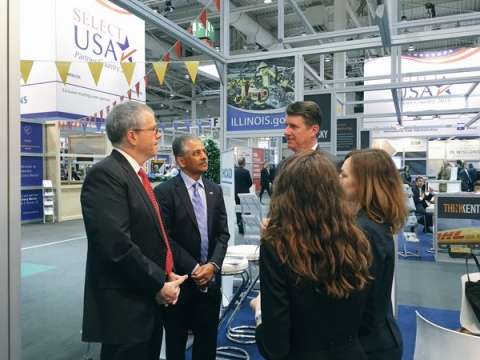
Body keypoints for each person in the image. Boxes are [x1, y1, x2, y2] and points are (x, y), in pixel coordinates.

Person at [80, 101, 192, 360]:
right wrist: (158, 282)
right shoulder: (106, 175)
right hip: (125, 308)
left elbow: (148, 234)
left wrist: (166, 272)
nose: (159, 134)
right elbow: (115, 246)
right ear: (132, 136)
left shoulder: (134, 174)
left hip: (144, 301)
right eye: (153, 129)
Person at [250, 150, 373, 360]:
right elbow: (367, 321)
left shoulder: (277, 248)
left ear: (284, 194)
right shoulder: (358, 238)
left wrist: (260, 311)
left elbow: (274, 346)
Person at [154, 134, 229, 360]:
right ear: (181, 161)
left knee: (206, 344)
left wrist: (213, 266)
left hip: (211, 282)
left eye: (204, 151)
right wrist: (196, 269)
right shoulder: (165, 192)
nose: (204, 156)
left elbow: (223, 234)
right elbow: (166, 239)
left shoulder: (214, 190)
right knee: (176, 344)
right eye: (196, 153)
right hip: (180, 283)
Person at [340, 148, 408, 360]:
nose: (337, 179)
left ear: (363, 183)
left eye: (343, 175)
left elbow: (360, 304)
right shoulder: (372, 223)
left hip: (370, 348)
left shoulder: (366, 230)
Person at [279, 100, 341, 172]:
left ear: (314, 130)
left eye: (294, 127)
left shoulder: (333, 165)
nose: (286, 132)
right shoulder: (283, 166)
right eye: (286, 126)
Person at [234, 157, 253, 234]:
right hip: (245, 194)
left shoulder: (234, 171)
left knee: (238, 209)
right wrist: (245, 188)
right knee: (247, 209)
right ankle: (243, 222)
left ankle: (240, 226)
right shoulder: (246, 172)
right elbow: (250, 183)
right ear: (244, 163)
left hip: (236, 193)